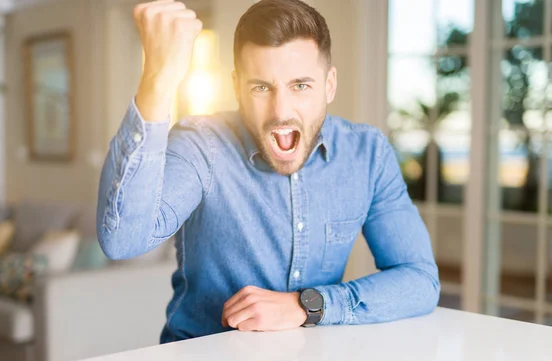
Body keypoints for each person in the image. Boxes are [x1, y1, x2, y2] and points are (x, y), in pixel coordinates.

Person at [97, 0, 440, 343]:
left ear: (329, 85)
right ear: (237, 87)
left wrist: (307, 306)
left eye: (300, 85)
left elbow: (420, 280)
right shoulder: (202, 144)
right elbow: (123, 240)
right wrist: (158, 80)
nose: (281, 111)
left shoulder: (367, 154)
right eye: (261, 87)